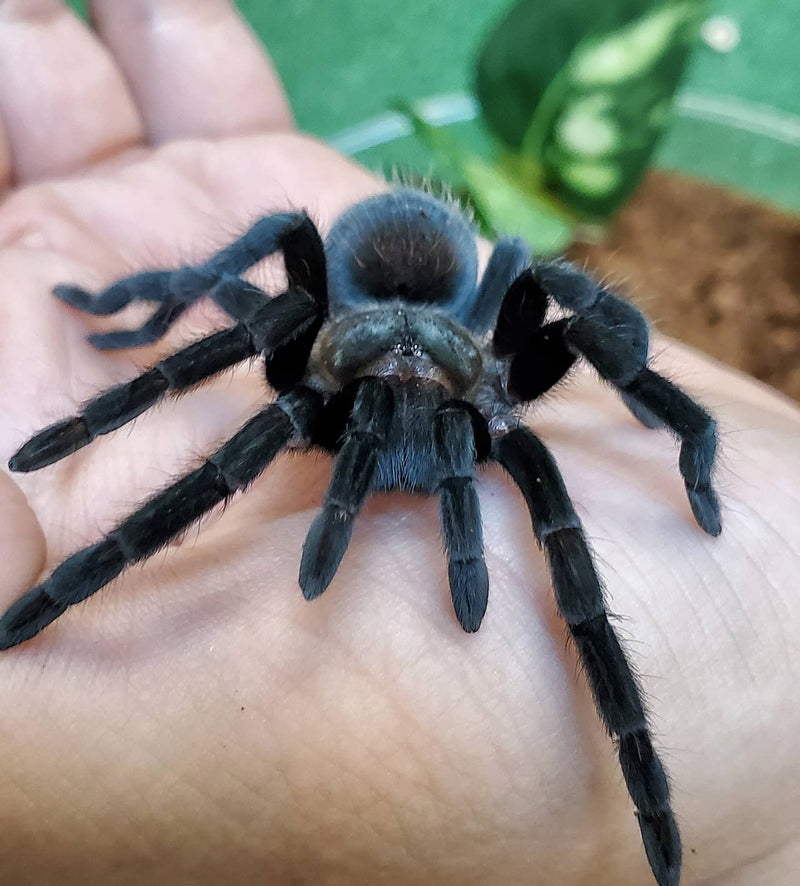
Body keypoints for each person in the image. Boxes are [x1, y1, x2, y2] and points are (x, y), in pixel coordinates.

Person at [0, 2, 797, 884]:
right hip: (360, 327)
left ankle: (644, 784)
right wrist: (134, 345)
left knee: (563, 485)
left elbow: (570, 295)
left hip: (452, 345)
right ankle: (84, 570)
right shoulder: (310, 335)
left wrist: (685, 426)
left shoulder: (496, 372)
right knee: (263, 284)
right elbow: (235, 288)